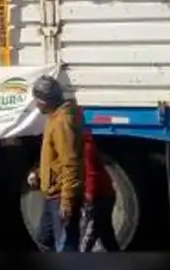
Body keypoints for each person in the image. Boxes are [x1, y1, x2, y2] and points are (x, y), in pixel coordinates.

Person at [27, 75, 84, 252]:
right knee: (44, 238)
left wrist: (66, 201)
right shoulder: (54, 117)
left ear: (46, 101)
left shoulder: (62, 123)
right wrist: (39, 173)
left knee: (65, 246)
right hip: (51, 193)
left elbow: (70, 163)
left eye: (37, 100)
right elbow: (54, 157)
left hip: (60, 195)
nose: (35, 104)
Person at [80, 125, 120, 252]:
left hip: (100, 196)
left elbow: (91, 173)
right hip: (104, 195)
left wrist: (89, 197)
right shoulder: (82, 143)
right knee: (106, 236)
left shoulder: (85, 146)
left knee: (87, 238)